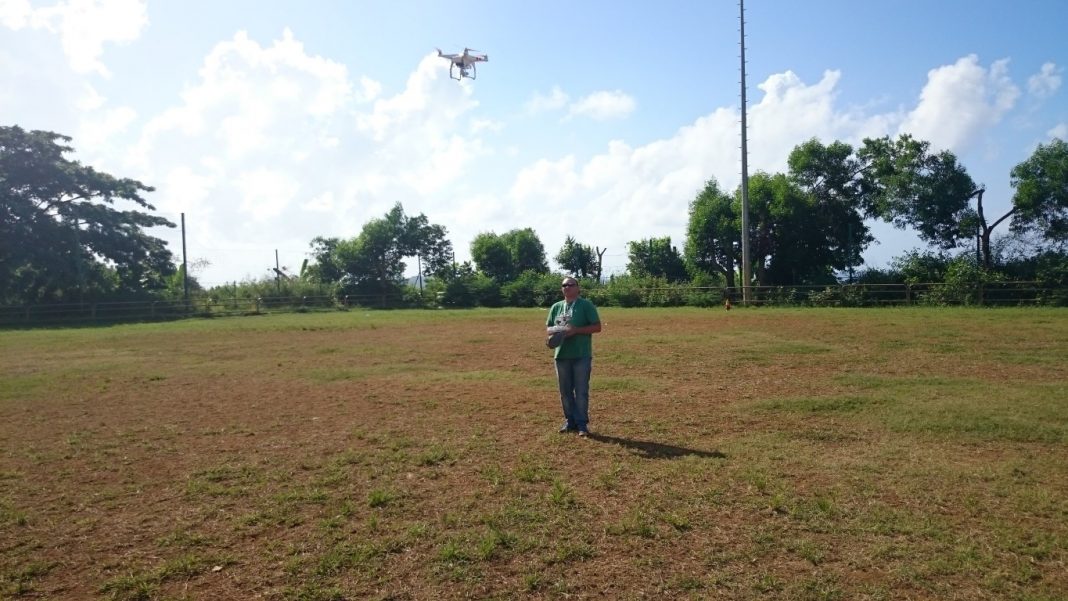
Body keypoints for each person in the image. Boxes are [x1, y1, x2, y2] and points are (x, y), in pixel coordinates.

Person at [546, 276, 602, 437]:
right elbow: (548, 328)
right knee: (565, 392)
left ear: (578, 288)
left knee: (581, 391)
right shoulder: (556, 307)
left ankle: (582, 424)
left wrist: (576, 330)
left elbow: (597, 327)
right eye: (564, 285)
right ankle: (570, 421)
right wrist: (558, 332)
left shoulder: (586, 305)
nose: (567, 287)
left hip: (581, 355)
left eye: (571, 284)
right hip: (561, 355)